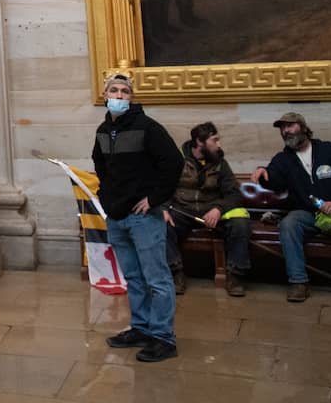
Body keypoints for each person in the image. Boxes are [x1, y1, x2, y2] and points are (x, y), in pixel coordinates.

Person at [92, 72, 182, 362]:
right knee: (133, 277)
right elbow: (100, 163)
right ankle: (142, 328)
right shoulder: (103, 131)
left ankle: (163, 337)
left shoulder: (148, 127)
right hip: (116, 215)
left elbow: (173, 162)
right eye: (114, 91)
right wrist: (106, 195)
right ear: (105, 95)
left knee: (157, 278)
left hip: (143, 216)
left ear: (131, 97)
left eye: (124, 92)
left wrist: (155, 199)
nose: (119, 96)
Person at [250, 112, 331, 303]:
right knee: (289, 224)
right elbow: (274, 179)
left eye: (290, 125)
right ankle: (298, 282)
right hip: (308, 214)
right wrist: (263, 173)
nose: (285, 131)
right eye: (282, 128)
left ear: (304, 127)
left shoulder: (329, 150)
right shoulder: (283, 159)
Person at [164, 122, 251, 296]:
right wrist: (163, 209)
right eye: (214, 140)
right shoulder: (177, 161)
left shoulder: (221, 163)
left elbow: (234, 194)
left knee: (240, 223)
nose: (218, 145)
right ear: (199, 142)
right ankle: (176, 273)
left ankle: (235, 275)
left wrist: (219, 209)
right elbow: (163, 188)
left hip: (212, 210)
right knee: (160, 224)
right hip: (183, 209)